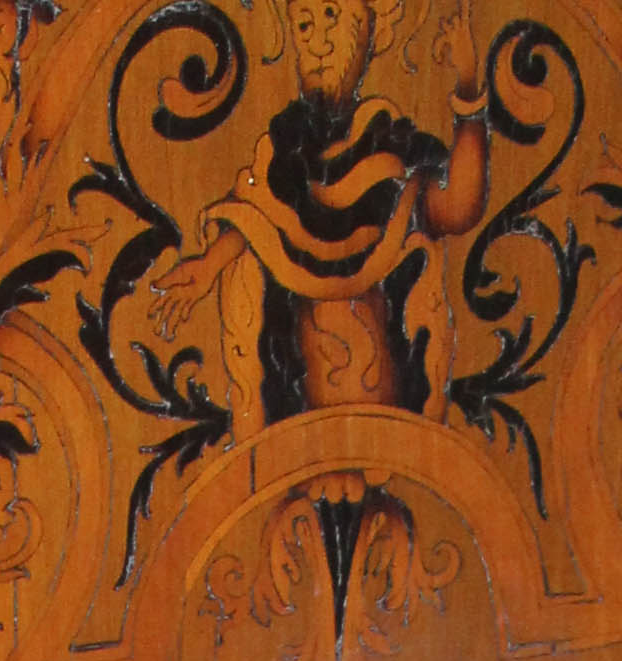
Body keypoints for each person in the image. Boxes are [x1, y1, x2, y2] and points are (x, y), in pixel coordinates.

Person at [150, 0, 492, 436]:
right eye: (304, 24)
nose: (319, 42)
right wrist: (209, 265)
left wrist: (468, 93)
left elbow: (458, 207)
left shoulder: (394, 150)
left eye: (333, 16)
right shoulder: (283, 152)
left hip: (391, 418)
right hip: (293, 416)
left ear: (375, 30)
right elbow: (256, 217)